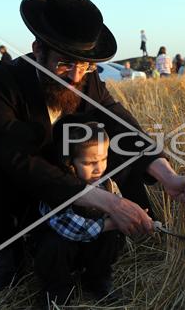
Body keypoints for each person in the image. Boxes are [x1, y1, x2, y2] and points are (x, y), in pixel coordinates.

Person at [0, 0, 185, 299]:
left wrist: (168, 176)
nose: (75, 77)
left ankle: (92, 257)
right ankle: (8, 247)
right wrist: (110, 203)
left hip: (63, 168)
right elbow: (18, 160)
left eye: (85, 66)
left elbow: (122, 126)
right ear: (38, 50)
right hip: (7, 171)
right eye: (64, 64)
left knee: (107, 148)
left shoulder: (86, 78)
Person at [35, 120, 124, 303]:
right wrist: (111, 223)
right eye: (89, 162)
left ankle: (97, 278)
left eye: (103, 159)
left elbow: (119, 205)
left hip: (89, 249)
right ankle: (57, 293)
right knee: (54, 244)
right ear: (70, 162)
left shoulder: (106, 183)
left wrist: (125, 216)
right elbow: (70, 228)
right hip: (63, 251)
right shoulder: (58, 187)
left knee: (112, 236)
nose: (99, 168)